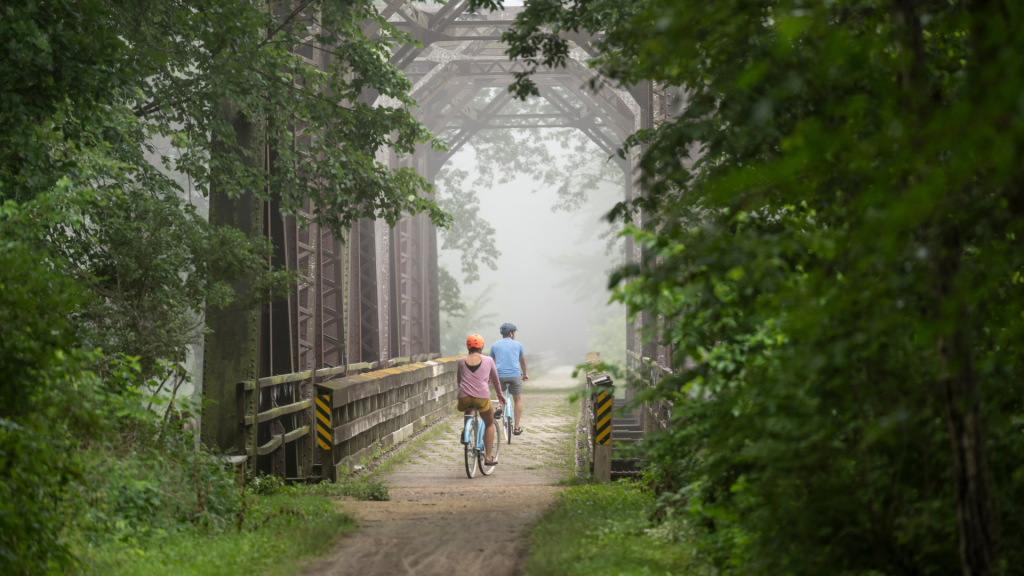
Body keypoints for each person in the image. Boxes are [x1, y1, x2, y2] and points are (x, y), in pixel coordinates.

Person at [457, 334, 507, 467]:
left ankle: (465, 431)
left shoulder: (461, 361)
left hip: (464, 396)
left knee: (469, 409)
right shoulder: (489, 360)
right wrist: (500, 395)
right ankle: (488, 457)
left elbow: (459, 380)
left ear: (468, 346)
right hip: (482, 396)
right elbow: (496, 380)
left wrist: (463, 392)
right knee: (489, 422)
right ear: (482, 346)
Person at [489, 322, 528, 436]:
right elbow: (523, 362)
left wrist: (490, 376)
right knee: (517, 400)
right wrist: (525, 374)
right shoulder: (518, 345)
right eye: (514, 333)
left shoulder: (494, 345)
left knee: (498, 390)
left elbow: (489, 362)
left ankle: (499, 406)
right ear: (511, 334)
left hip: (499, 375)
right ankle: (516, 428)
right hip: (515, 375)